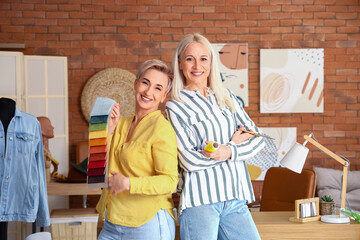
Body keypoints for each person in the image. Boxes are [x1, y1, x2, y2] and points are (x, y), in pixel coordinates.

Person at [166, 33, 265, 240]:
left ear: (211, 63)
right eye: (189, 59)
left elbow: (258, 138)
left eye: (203, 59)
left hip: (235, 198)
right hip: (200, 202)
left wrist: (227, 151)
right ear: (180, 64)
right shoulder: (175, 106)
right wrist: (231, 145)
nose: (197, 66)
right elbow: (189, 160)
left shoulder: (225, 95)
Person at [96, 59, 178, 240]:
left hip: (147, 223)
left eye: (158, 88)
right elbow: (96, 171)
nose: (148, 91)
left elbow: (170, 181)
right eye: (145, 83)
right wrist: (108, 132)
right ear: (135, 83)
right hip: (112, 222)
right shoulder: (121, 122)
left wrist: (129, 183)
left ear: (164, 96)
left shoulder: (161, 128)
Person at [37, 116, 55, 182]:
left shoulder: (45, 149)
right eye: (49, 125)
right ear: (41, 131)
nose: (52, 127)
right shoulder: (38, 151)